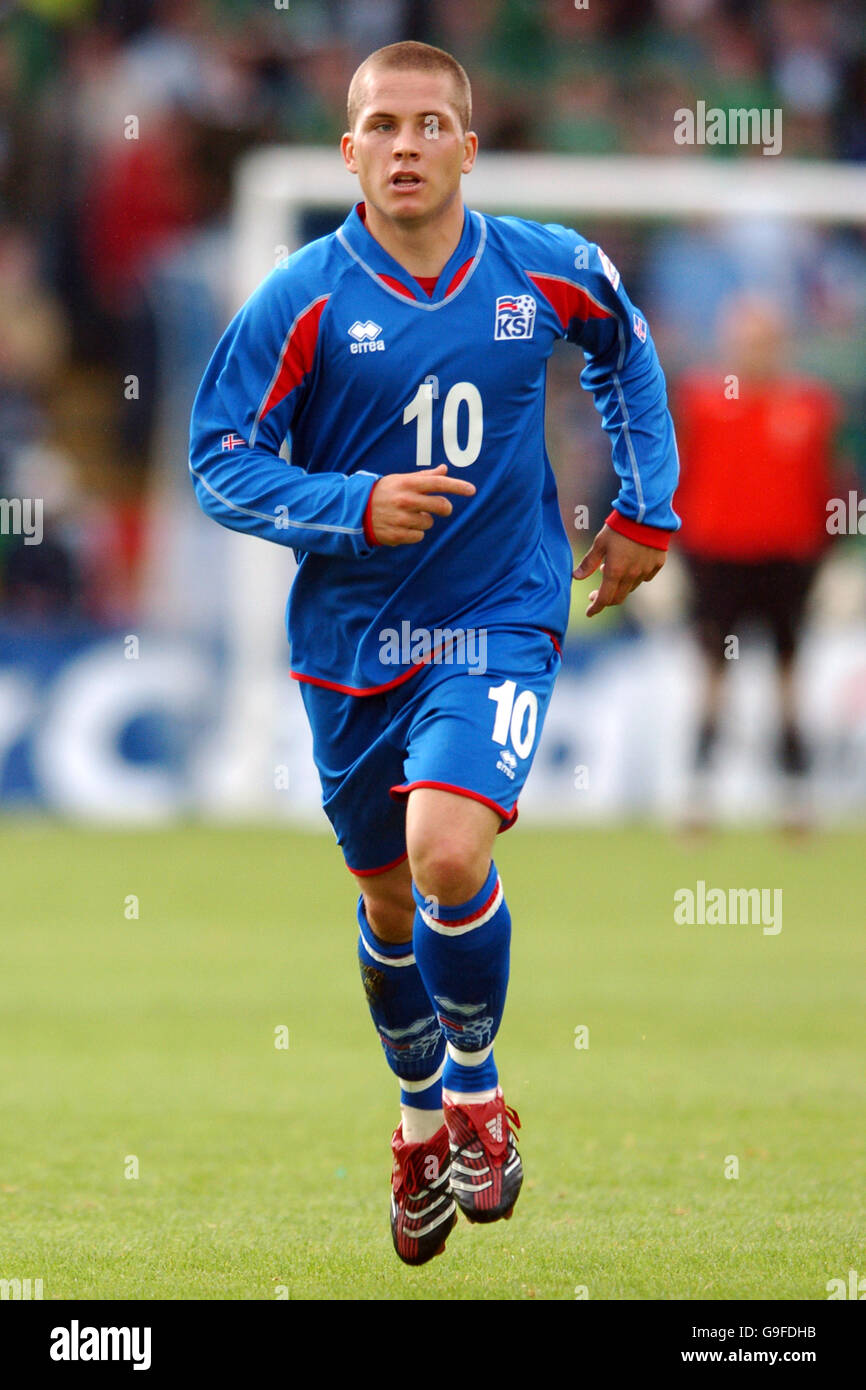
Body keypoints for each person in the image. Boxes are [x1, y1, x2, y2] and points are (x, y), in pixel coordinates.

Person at [189, 40, 679, 1266]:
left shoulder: (544, 269)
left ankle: (474, 1095)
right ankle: (418, 1126)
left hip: (496, 617)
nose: (404, 145)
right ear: (346, 151)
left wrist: (643, 507)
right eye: (380, 126)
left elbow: (624, 349)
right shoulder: (299, 298)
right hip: (350, 643)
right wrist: (352, 504)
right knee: (387, 900)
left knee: (445, 848)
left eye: (428, 124)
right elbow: (217, 457)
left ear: (467, 144)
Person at [674, 292, 840, 819]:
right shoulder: (702, 401)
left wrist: (833, 553)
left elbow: (827, 486)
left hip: (789, 558)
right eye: (747, 341)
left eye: (764, 341)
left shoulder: (810, 407)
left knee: (788, 674)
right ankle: (698, 795)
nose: (755, 352)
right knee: (712, 674)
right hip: (717, 555)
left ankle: (796, 797)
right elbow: (679, 476)